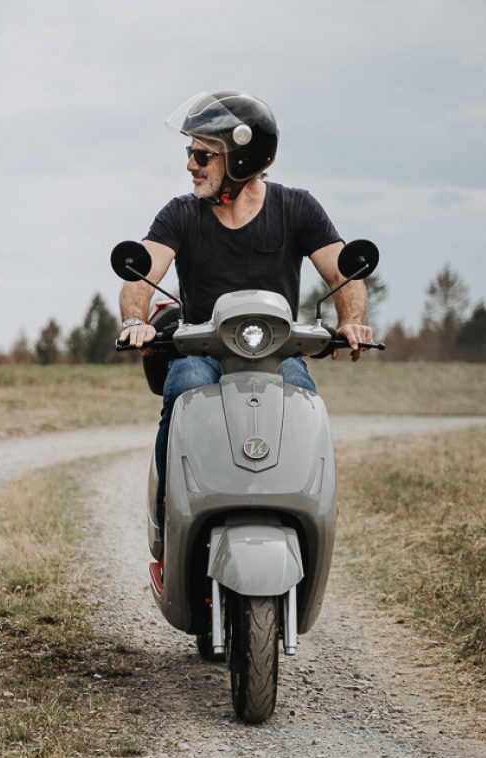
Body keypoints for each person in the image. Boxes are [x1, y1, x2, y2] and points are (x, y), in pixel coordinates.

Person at [116, 91, 373, 520]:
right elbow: (142, 272)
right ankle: (168, 517)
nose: (190, 165)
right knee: (182, 389)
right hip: (202, 352)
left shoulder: (297, 208)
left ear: (240, 160)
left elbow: (343, 273)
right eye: (190, 151)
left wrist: (353, 321)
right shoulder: (180, 214)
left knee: (303, 399)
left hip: (277, 354)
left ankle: (302, 509)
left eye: (202, 155)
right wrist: (134, 319)